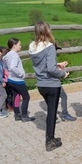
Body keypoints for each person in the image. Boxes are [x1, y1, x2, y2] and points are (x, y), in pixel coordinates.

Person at [29, 21, 69, 151]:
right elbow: (51, 69)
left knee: (51, 112)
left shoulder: (32, 47)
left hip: (41, 84)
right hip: (52, 84)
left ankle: (51, 137)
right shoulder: (50, 47)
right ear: (47, 31)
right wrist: (63, 74)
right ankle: (50, 140)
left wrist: (56, 65)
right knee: (52, 113)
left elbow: (43, 66)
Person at [3, 37, 35, 122]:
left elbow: (5, 66)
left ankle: (17, 114)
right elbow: (12, 67)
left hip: (11, 80)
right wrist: (20, 74)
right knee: (26, 97)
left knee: (16, 96)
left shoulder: (7, 55)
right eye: (19, 45)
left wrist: (9, 73)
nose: (20, 46)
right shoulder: (14, 55)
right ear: (14, 45)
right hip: (17, 80)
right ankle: (24, 116)